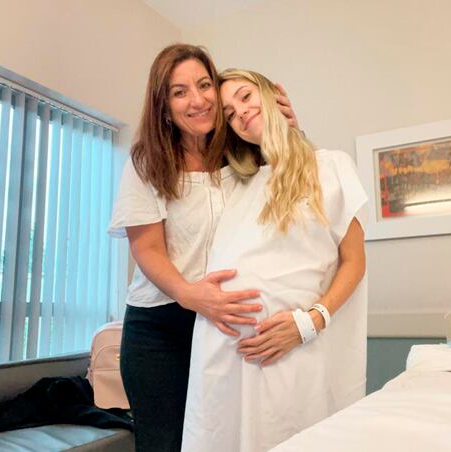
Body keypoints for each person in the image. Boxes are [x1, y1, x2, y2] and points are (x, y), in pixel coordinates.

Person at [107, 45, 299, 452]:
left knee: (224, 438)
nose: (197, 100)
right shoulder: (147, 162)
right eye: (180, 92)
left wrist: (288, 130)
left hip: (224, 324)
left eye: (204, 84)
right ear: (163, 107)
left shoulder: (243, 151)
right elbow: (148, 249)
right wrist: (193, 295)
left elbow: (297, 192)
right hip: (160, 329)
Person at [181, 68, 368, 452]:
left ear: (273, 95)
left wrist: (309, 322)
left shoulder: (330, 165)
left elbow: (354, 261)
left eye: (246, 97)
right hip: (221, 357)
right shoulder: (237, 182)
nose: (241, 113)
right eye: (230, 114)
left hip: (293, 348)